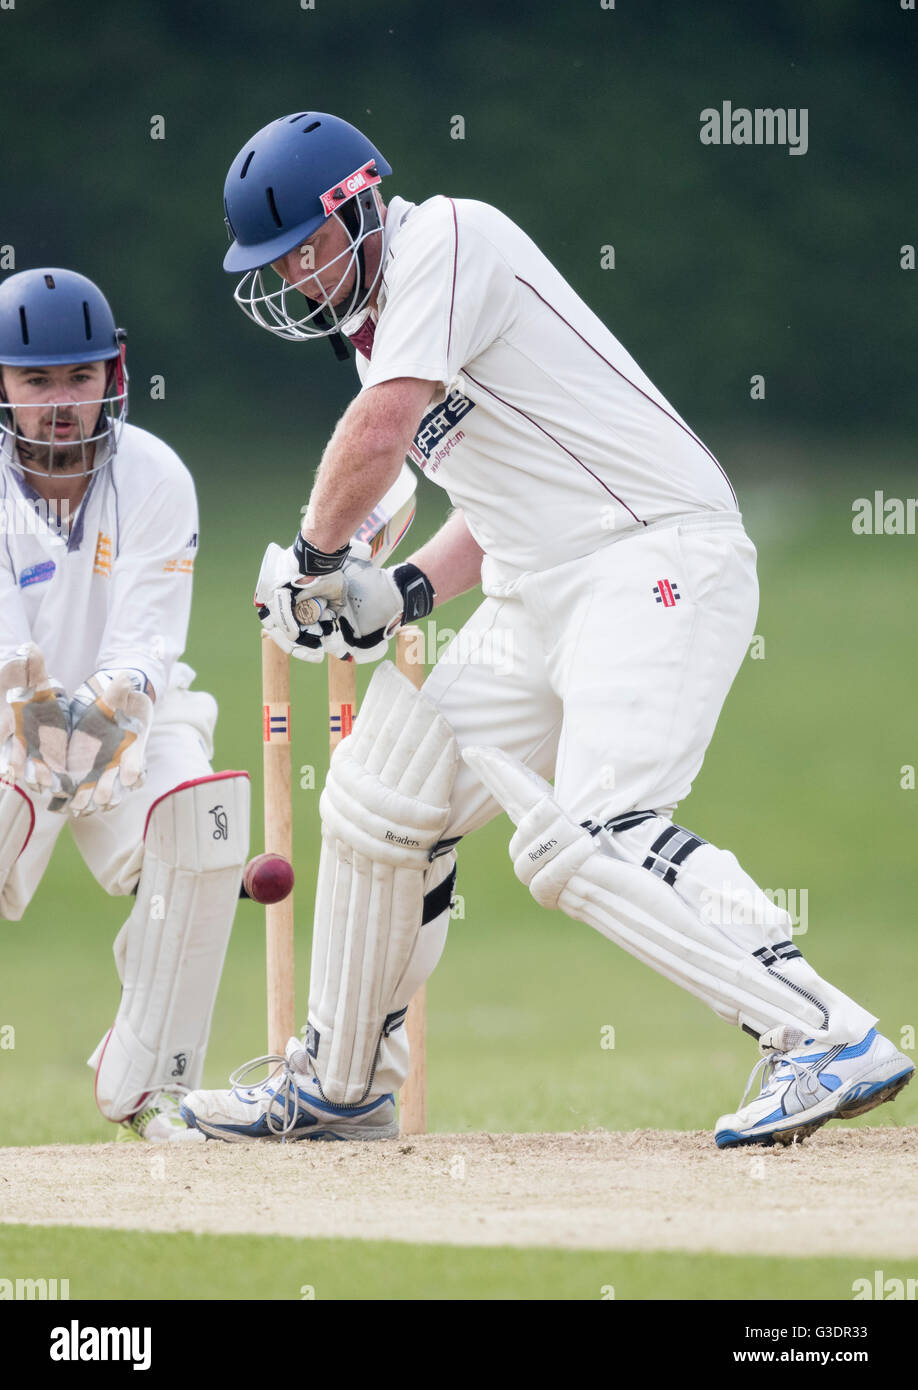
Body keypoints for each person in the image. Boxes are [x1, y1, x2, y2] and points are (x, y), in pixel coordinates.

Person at [181, 112, 912, 1147]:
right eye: (279, 263)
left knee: (593, 833)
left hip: (654, 557)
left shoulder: (450, 240)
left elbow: (384, 432)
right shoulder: (381, 331)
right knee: (378, 797)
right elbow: (497, 497)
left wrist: (310, 559)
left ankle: (825, 1035)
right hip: (540, 588)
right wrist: (404, 591)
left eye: (304, 247)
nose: (296, 278)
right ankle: (338, 1088)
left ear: (356, 208)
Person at [0, 267, 250, 1142]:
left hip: (126, 712)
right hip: (7, 713)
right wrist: (41, 731)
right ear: (2, 384)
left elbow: (147, 642)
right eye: (36, 380)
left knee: (205, 830)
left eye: (79, 375)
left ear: (116, 370)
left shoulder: (155, 475)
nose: (60, 402)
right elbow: (6, 654)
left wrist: (112, 710)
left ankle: (148, 1087)